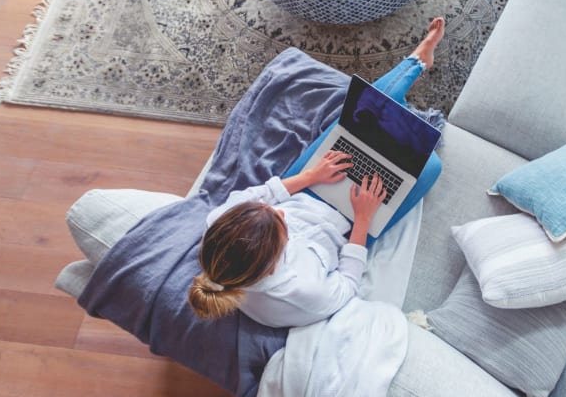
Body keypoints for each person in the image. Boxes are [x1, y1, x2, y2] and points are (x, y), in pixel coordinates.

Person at [188, 17, 446, 328]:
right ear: (273, 266)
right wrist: (363, 218)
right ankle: (408, 89)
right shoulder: (303, 293)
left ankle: (419, 59)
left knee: (367, 111)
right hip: (351, 225)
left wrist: (310, 176)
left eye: (269, 212)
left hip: (309, 187)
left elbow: (261, 195)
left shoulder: (218, 227)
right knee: (430, 164)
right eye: (279, 226)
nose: (281, 214)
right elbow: (348, 284)